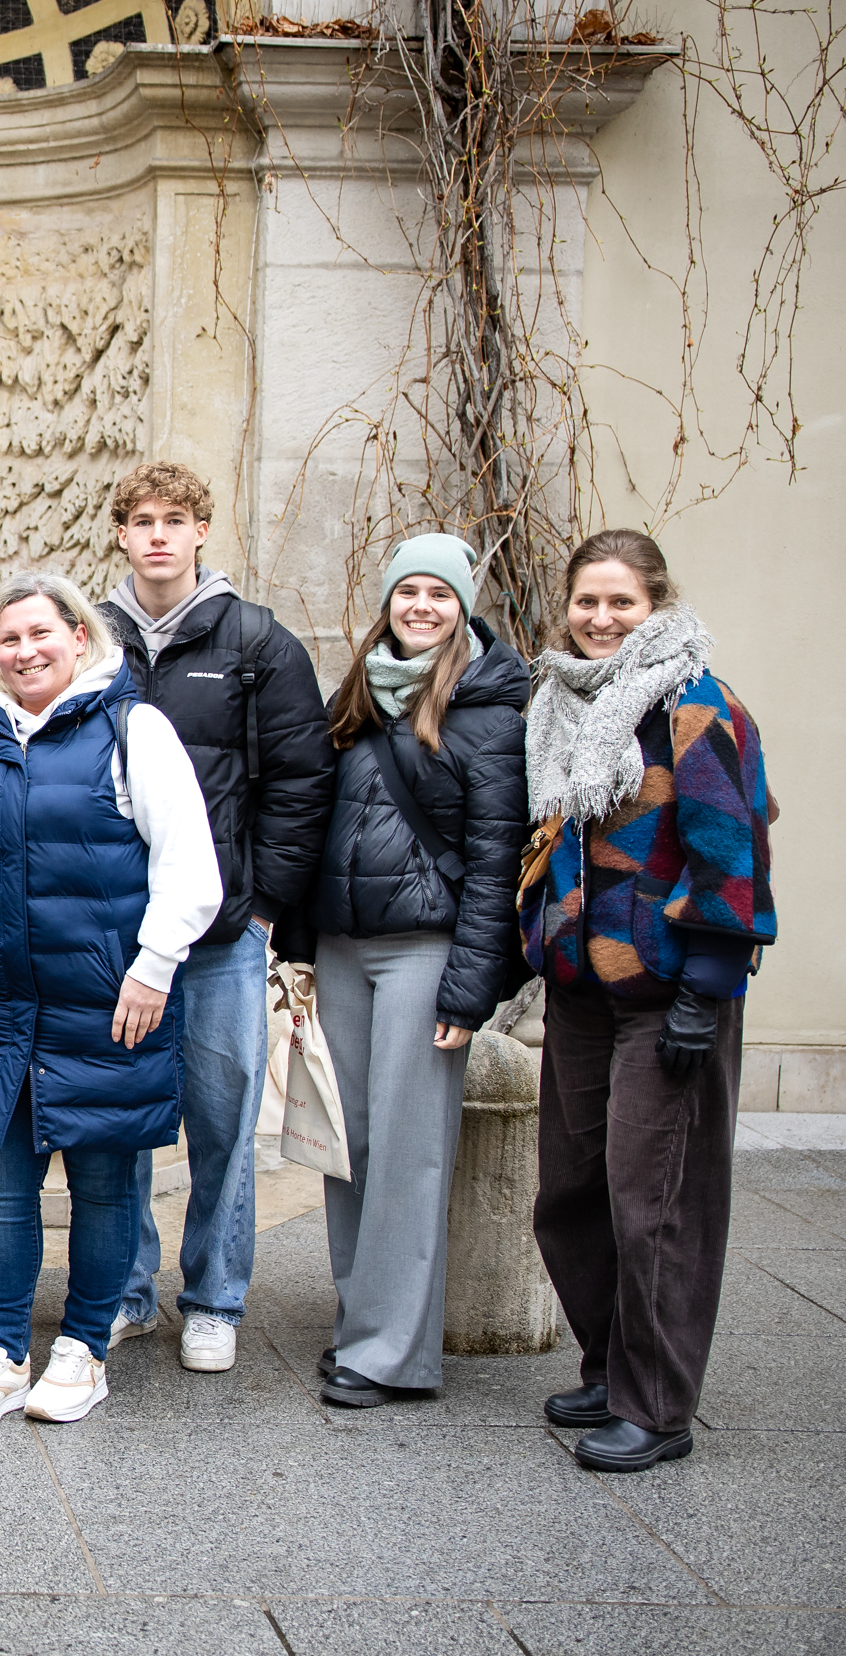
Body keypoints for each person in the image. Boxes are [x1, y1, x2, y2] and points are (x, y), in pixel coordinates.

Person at [0, 575, 220, 1428]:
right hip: (3, 1006)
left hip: (107, 1006)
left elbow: (189, 864)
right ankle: (0, 1351)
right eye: (8, 639)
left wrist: (154, 967)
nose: (25, 651)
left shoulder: (134, 729)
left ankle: (84, 1348)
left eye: (39, 633)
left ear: (79, 636)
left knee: (101, 1183)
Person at [524, 530, 775, 1472]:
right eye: (587, 601)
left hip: (669, 992)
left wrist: (706, 990)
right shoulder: (560, 705)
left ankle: (658, 1404)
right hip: (582, 990)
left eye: (621, 602)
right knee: (570, 1197)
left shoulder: (697, 705)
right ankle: (611, 1366)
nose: (601, 618)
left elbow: (733, 850)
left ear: (656, 606)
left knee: (655, 1202)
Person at [96, 461, 332, 1374]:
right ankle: (124, 1289)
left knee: (223, 1121)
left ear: (201, 530)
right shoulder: (93, 638)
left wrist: (262, 906)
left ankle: (214, 1298)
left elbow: (302, 782)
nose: (158, 534)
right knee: (120, 1117)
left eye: (175, 519)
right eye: (142, 519)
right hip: (118, 929)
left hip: (224, 934)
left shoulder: (257, 642)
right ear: (122, 533)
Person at [297, 534, 528, 1409]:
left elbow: (496, 863)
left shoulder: (490, 712)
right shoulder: (358, 693)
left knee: (408, 1150)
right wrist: (301, 947)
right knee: (349, 1144)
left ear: (462, 606)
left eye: (440, 593)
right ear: (388, 600)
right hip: (344, 946)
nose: (421, 606)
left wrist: (471, 987)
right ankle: (362, 1322)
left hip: (424, 949)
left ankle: (393, 1353)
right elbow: (318, 821)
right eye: (408, 591)